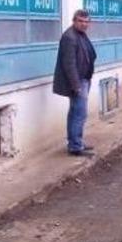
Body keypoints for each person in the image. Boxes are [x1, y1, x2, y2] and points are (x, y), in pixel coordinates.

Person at [53, 9, 97, 156]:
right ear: (74, 21)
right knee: (79, 114)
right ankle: (75, 146)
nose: (84, 24)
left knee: (75, 113)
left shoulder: (81, 35)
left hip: (84, 79)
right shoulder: (69, 37)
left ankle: (76, 142)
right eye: (80, 21)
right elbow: (69, 64)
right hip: (77, 82)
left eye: (86, 21)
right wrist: (76, 85)